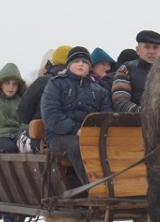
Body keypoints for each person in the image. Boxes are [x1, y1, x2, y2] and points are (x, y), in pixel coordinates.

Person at [41, 46, 113, 184]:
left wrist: (94, 132)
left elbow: (106, 116)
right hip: (59, 136)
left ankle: (119, 187)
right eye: (77, 61)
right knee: (78, 146)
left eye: (85, 62)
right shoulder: (55, 84)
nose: (81, 64)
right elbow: (52, 116)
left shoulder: (99, 90)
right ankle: (94, 189)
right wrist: (76, 130)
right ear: (69, 64)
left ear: (89, 67)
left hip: (91, 135)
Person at [17, 45, 72, 152]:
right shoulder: (86, 83)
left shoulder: (43, 81)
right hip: (76, 137)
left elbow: (23, 114)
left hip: (42, 140)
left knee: (20, 138)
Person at [112, 30, 160, 113]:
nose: (151, 52)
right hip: (136, 122)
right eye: (147, 47)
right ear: (138, 50)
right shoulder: (126, 69)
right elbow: (120, 101)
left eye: (155, 47)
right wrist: (145, 114)